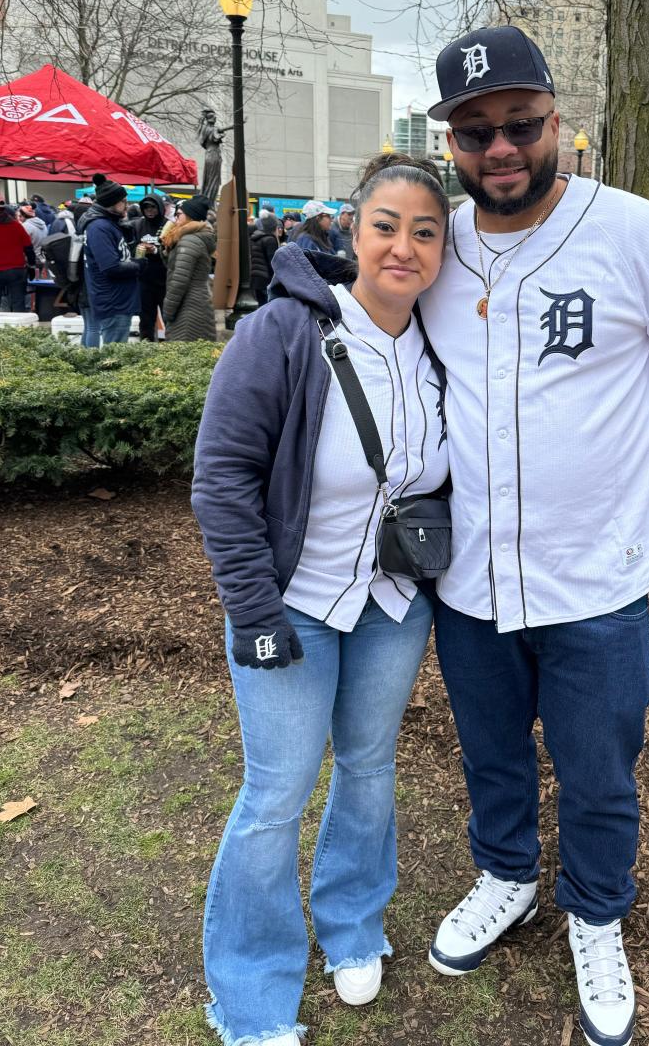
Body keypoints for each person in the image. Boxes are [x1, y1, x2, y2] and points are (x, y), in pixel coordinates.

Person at [418, 25, 649, 1046]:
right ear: (454, 146)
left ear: (560, 120)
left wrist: (634, 446)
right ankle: (507, 872)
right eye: (475, 133)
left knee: (600, 764)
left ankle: (596, 911)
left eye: (520, 123)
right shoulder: (437, 243)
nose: (501, 148)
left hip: (597, 574)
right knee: (491, 752)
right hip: (470, 572)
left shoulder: (640, 233)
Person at [191, 153, 450, 1046]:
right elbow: (221, 480)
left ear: (444, 247)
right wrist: (254, 615)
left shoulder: (441, 348)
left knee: (370, 769)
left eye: (425, 231)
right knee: (276, 793)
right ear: (352, 229)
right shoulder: (287, 332)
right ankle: (252, 994)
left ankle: (351, 925)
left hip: (391, 605)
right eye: (387, 226)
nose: (404, 247)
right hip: (289, 605)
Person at [81, 175, 150, 345]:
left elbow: (117, 258)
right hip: (113, 302)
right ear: (111, 203)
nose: (127, 205)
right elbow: (111, 267)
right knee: (114, 357)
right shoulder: (99, 228)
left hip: (118, 299)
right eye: (123, 202)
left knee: (116, 353)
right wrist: (138, 264)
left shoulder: (109, 224)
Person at [160, 196, 217, 342]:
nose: (175, 218)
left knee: (183, 355)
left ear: (190, 216)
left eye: (179, 214)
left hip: (188, 308)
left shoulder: (189, 240)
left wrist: (168, 311)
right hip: (195, 303)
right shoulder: (190, 237)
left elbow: (179, 280)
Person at [133, 193, 168, 341]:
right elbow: (132, 248)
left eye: (153, 207)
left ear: (160, 208)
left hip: (165, 280)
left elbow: (172, 251)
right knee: (146, 318)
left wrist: (154, 250)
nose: (149, 210)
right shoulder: (138, 225)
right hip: (144, 280)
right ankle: (146, 347)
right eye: (146, 207)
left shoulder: (168, 225)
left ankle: (171, 349)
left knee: (168, 317)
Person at [0, 202, 34, 312]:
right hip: (16, 269)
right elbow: (28, 247)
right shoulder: (17, 226)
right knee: (18, 302)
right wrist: (32, 265)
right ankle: (19, 328)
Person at [250, 212, 281, 305]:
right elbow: (273, 262)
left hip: (256, 278)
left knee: (261, 306)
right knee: (268, 306)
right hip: (266, 280)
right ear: (273, 227)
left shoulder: (257, 237)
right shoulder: (270, 240)